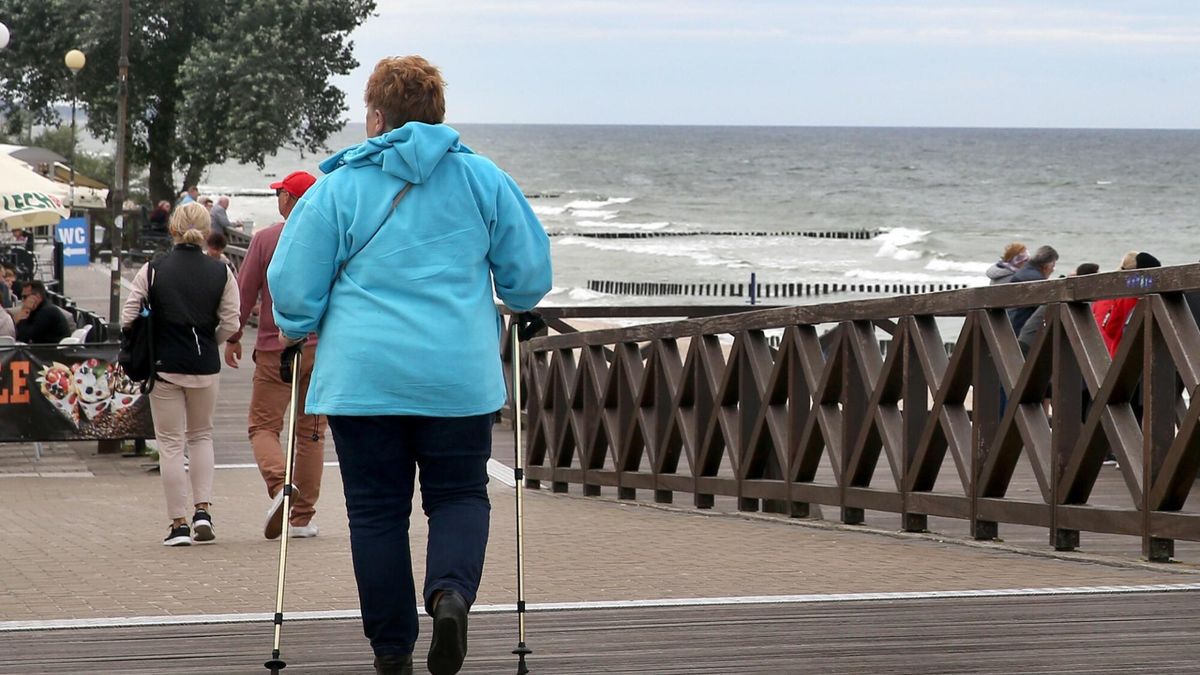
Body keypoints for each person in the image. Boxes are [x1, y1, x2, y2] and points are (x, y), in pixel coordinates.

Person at [267, 56, 553, 675]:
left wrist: (295, 330)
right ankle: (450, 595)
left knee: (376, 512)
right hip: (457, 379)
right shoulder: (484, 180)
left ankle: (392, 650)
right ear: (438, 114)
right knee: (458, 497)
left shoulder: (339, 188)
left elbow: (291, 287)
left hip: (364, 381)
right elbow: (529, 279)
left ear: (375, 116)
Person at [121, 202, 240, 547]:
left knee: (171, 445)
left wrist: (149, 336)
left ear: (173, 230)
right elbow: (232, 321)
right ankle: (204, 510)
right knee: (202, 436)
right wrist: (210, 341)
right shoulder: (221, 272)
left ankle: (179, 525)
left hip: (165, 366)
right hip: (204, 366)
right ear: (206, 232)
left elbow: (129, 315)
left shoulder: (153, 270)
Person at [224, 170, 325, 541]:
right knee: (312, 433)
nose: (277, 198)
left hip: (275, 347)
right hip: (320, 349)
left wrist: (233, 336)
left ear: (289, 200)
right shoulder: (329, 242)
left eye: (280, 193)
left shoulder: (266, 240)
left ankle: (281, 484)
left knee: (263, 426)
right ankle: (302, 518)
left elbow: (244, 292)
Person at [1092, 252, 1158, 357]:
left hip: (1122, 355)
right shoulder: (1158, 296)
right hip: (1154, 354)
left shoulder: (1122, 297)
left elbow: (1110, 329)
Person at [1006, 245, 1059, 336]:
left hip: (1011, 323)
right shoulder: (1036, 280)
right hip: (1019, 330)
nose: (1053, 270)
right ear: (1047, 265)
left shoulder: (1025, 271)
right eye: (1053, 266)